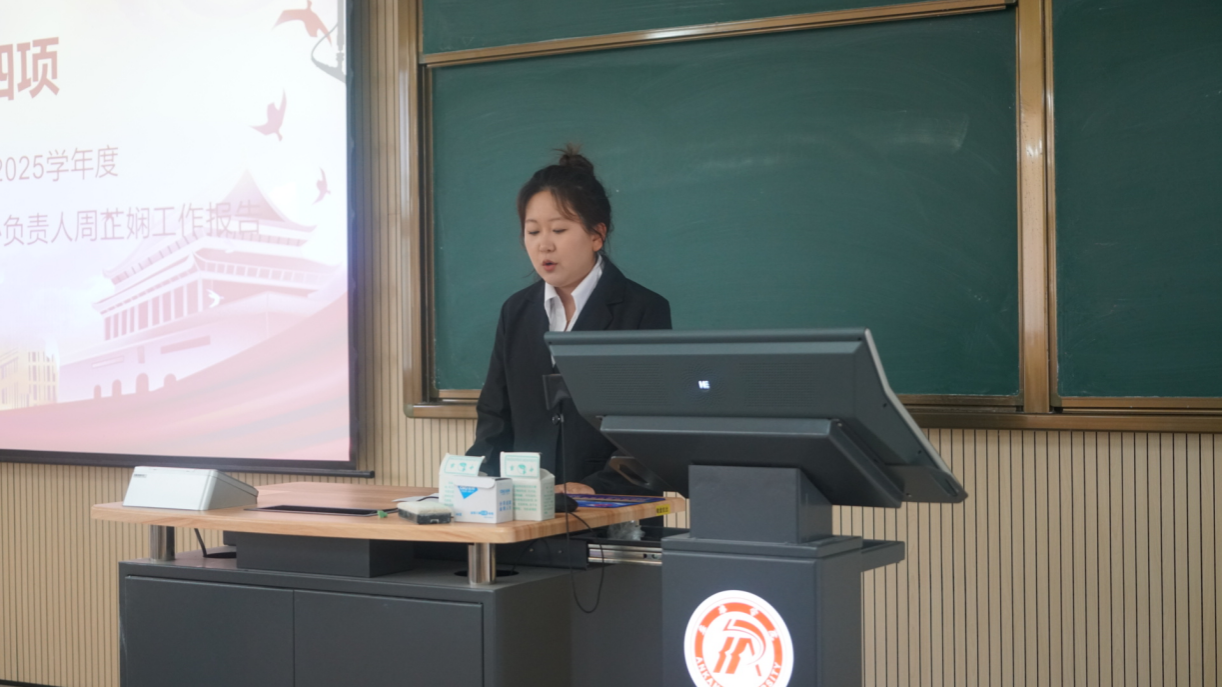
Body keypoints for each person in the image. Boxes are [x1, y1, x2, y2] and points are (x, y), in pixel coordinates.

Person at [466, 145, 671, 494]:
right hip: (527, 506)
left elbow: (651, 425)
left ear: (596, 235)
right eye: (533, 232)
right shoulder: (516, 311)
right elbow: (495, 415)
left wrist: (596, 488)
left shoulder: (642, 309)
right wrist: (478, 483)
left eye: (559, 230)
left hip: (612, 507)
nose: (544, 245)